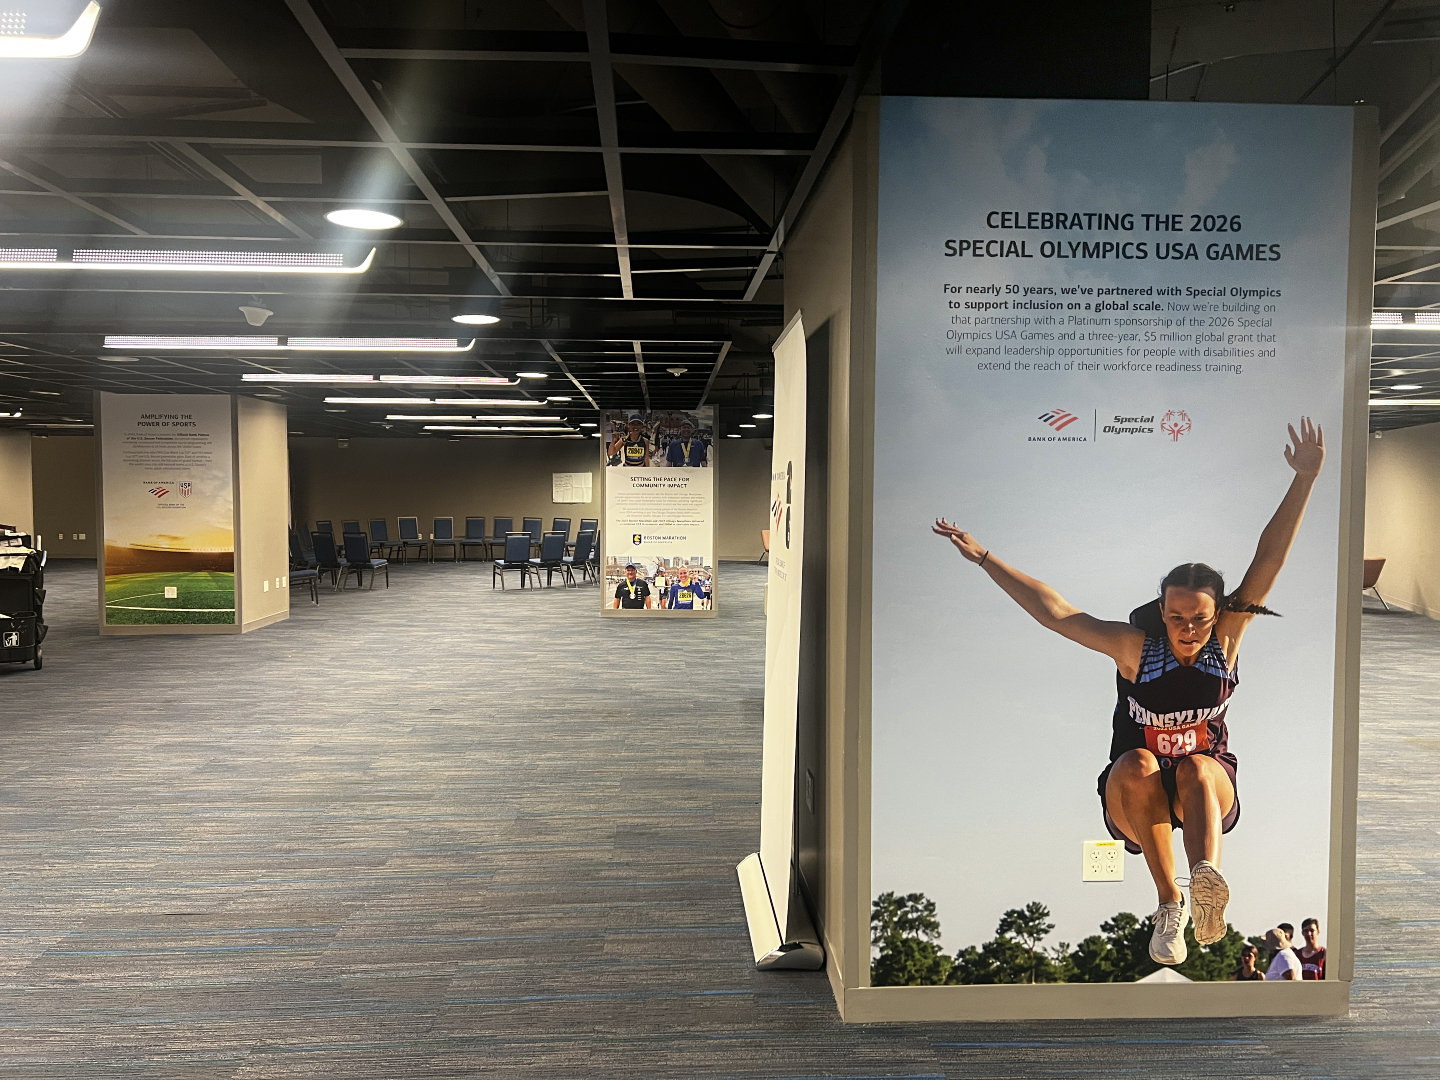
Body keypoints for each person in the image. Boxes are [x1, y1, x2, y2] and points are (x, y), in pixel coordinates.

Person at [932, 418, 1325, 967]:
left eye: (1200, 618)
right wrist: (983, 557)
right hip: (1135, 796)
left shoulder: (1227, 640)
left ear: (1218, 614)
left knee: (1196, 765)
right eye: (1176, 617)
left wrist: (1304, 479)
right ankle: (1170, 904)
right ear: (1161, 612)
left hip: (1204, 793)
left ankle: (1205, 880)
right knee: (1140, 761)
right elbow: (1057, 612)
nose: (1188, 629)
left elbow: (1269, 560)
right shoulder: (1136, 649)